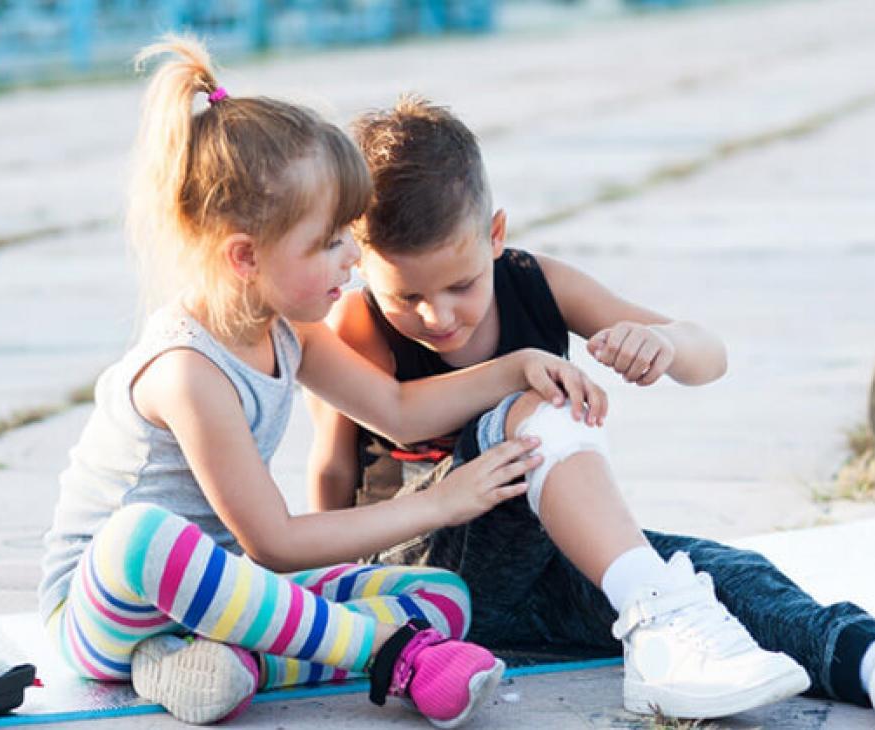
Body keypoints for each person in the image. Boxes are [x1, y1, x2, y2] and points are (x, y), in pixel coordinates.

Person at [305, 96, 875, 729]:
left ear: (495, 234)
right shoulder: (355, 325)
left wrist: (661, 345)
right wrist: (324, 601)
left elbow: (707, 353)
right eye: (406, 293)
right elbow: (353, 451)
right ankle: (662, 617)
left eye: (459, 285)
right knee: (525, 408)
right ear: (360, 262)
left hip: (540, 572)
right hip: (426, 579)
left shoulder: (532, 280)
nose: (437, 316)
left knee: (720, 574)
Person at [37, 41, 609, 728]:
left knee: (442, 595)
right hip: (104, 606)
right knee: (141, 536)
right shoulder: (187, 372)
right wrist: (438, 505)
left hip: (224, 603)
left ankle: (230, 661)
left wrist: (514, 369)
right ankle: (390, 653)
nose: (352, 260)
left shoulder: (289, 330)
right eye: (331, 242)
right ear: (246, 257)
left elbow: (397, 410)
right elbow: (272, 542)